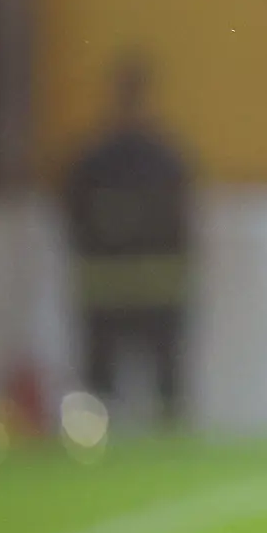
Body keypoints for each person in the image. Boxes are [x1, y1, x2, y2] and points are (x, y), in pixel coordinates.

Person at [61, 56, 194, 422]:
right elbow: (182, 224)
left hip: (110, 286)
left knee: (108, 375)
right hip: (152, 286)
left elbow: (72, 219)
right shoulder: (164, 159)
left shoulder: (92, 160)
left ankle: (97, 448)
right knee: (156, 377)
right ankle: (168, 444)